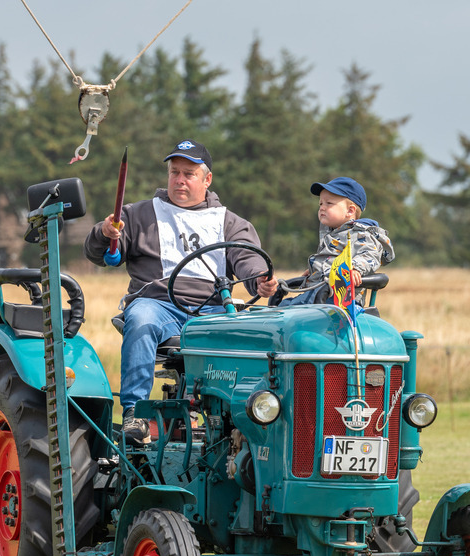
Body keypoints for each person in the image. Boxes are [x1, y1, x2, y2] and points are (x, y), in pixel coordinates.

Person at [84, 139, 278, 441]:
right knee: (141, 318)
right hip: (158, 303)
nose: (179, 180)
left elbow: (248, 259)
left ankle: (244, 421)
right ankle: (135, 413)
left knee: (254, 334)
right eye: (174, 172)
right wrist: (104, 233)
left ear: (207, 179)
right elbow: (105, 251)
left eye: (189, 174)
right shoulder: (138, 215)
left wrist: (260, 279)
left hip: (212, 308)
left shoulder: (229, 222)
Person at [279, 176, 394, 306]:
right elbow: (330, 261)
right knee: (281, 306)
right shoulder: (331, 235)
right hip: (320, 295)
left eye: (329, 203)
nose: (322, 207)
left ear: (350, 210)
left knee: (285, 308)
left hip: (341, 300)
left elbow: (370, 255)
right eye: (321, 204)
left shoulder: (361, 234)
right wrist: (315, 273)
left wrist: (355, 268)